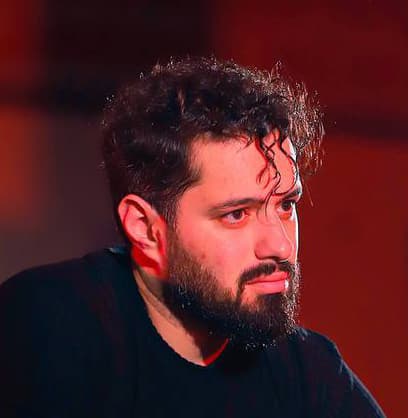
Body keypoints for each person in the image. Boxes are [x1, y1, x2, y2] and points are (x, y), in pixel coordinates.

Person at [0, 57, 385, 417]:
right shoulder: (44, 326)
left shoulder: (307, 371)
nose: (281, 246)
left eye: (286, 205)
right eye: (236, 214)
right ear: (145, 228)